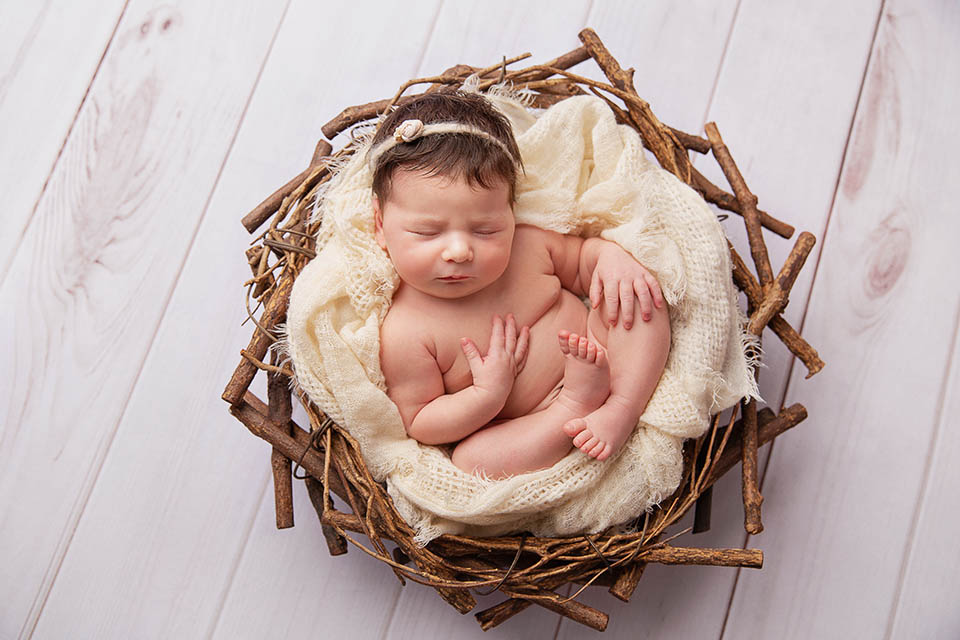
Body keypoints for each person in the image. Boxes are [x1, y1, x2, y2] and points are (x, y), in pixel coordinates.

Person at [369, 91, 670, 479]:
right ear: (380, 225)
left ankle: (622, 407)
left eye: (485, 229)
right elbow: (422, 421)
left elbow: (582, 263)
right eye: (427, 232)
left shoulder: (527, 247)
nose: (459, 250)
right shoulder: (405, 332)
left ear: (510, 213)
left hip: (604, 349)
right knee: (471, 461)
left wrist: (610, 258)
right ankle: (575, 408)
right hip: (533, 419)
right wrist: (486, 396)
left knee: (636, 296)